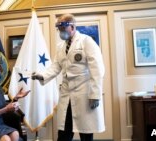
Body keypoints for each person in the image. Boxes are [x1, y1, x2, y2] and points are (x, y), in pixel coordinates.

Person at [32, 13, 105, 141]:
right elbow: (56, 66)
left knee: (86, 132)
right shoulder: (61, 47)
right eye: (59, 29)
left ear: (72, 26)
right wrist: (42, 76)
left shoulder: (86, 41)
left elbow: (97, 69)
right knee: (64, 132)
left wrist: (95, 94)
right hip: (66, 94)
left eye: (63, 29)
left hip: (84, 93)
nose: (61, 32)